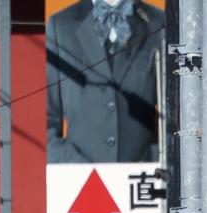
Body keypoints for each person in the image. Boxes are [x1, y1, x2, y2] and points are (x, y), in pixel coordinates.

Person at [45, 0, 163, 165]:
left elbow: (177, 118)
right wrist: (78, 170)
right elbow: (45, 122)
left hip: (143, 180)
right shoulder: (62, 26)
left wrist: (153, 161)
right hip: (79, 181)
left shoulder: (159, 23)